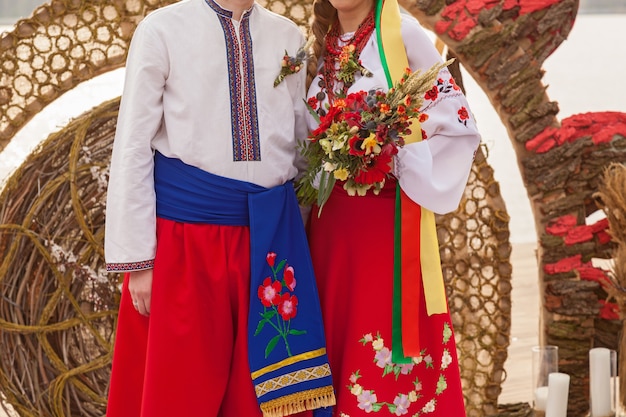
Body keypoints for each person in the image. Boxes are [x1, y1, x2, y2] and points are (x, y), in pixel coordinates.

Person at [103, 0, 336, 416]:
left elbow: (302, 143)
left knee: (260, 396)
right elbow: (133, 145)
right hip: (186, 243)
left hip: (269, 243)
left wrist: (299, 236)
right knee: (181, 391)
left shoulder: (290, 38)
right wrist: (138, 261)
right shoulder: (162, 30)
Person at [300, 0, 482, 415]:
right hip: (329, 231)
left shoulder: (403, 34)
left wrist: (393, 154)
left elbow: (458, 123)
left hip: (384, 227)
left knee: (377, 335)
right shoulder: (321, 45)